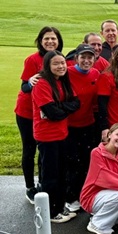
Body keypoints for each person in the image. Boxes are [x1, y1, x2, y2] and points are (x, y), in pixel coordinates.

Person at [15, 26, 63, 203]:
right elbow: (24, 87)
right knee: (29, 149)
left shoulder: (58, 59)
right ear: (40, 41)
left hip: (46, 113)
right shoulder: (32, 60)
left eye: (53, 39)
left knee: (45, 151)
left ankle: (44, 184)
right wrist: (31, 82)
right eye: (46, 39)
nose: (50, 42)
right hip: (27, 112)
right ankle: (30, 187)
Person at [32, 50, 80, 223]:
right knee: (50, 176)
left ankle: (58, 207)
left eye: (62, 63)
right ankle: (50, 212)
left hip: (62, 134)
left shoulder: (63, 82)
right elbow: (52, 113)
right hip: (47, 136)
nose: (61, 66)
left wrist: (60, 107)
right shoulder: (42, 84)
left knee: (61, 173)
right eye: (56, 64)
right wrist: (61, 109)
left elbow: (76, 103)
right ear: (48, 65)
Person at [64, 44, 101, 213]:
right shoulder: (67, 73)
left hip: (89, 124)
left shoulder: (96, 74)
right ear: (76, 58)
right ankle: (71, 197)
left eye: (90, 57)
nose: (87, 61)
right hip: (69, 126)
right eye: (83, 57)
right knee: (72, 162)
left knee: (87, 162)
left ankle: (84, 195)